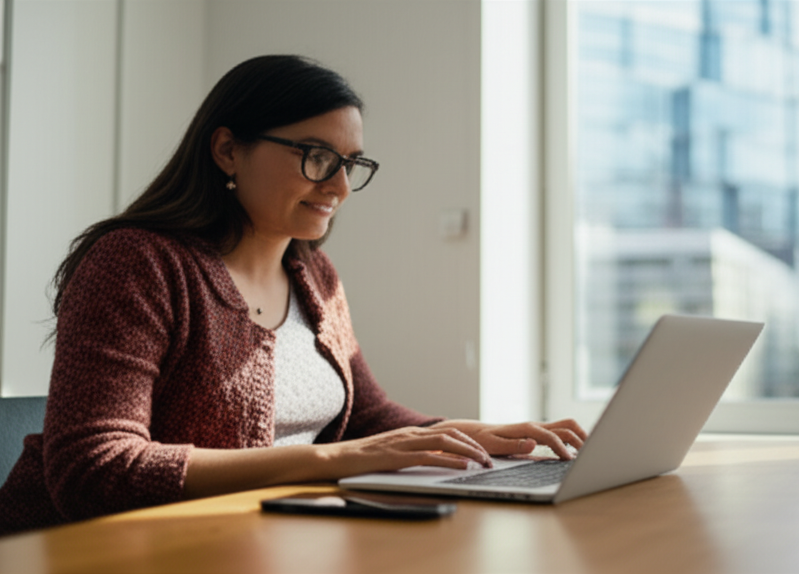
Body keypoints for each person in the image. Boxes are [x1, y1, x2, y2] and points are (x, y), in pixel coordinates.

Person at [0, 55, 586, 536]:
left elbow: (367, 418)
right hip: (83, 551)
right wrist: (333, 461)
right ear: (228, 150)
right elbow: (94, 469)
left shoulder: (314, 274)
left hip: (250, 542)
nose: (338, 187)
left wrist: (482, 436)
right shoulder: (138, 264)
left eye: (350, 163)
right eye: (316, 157)